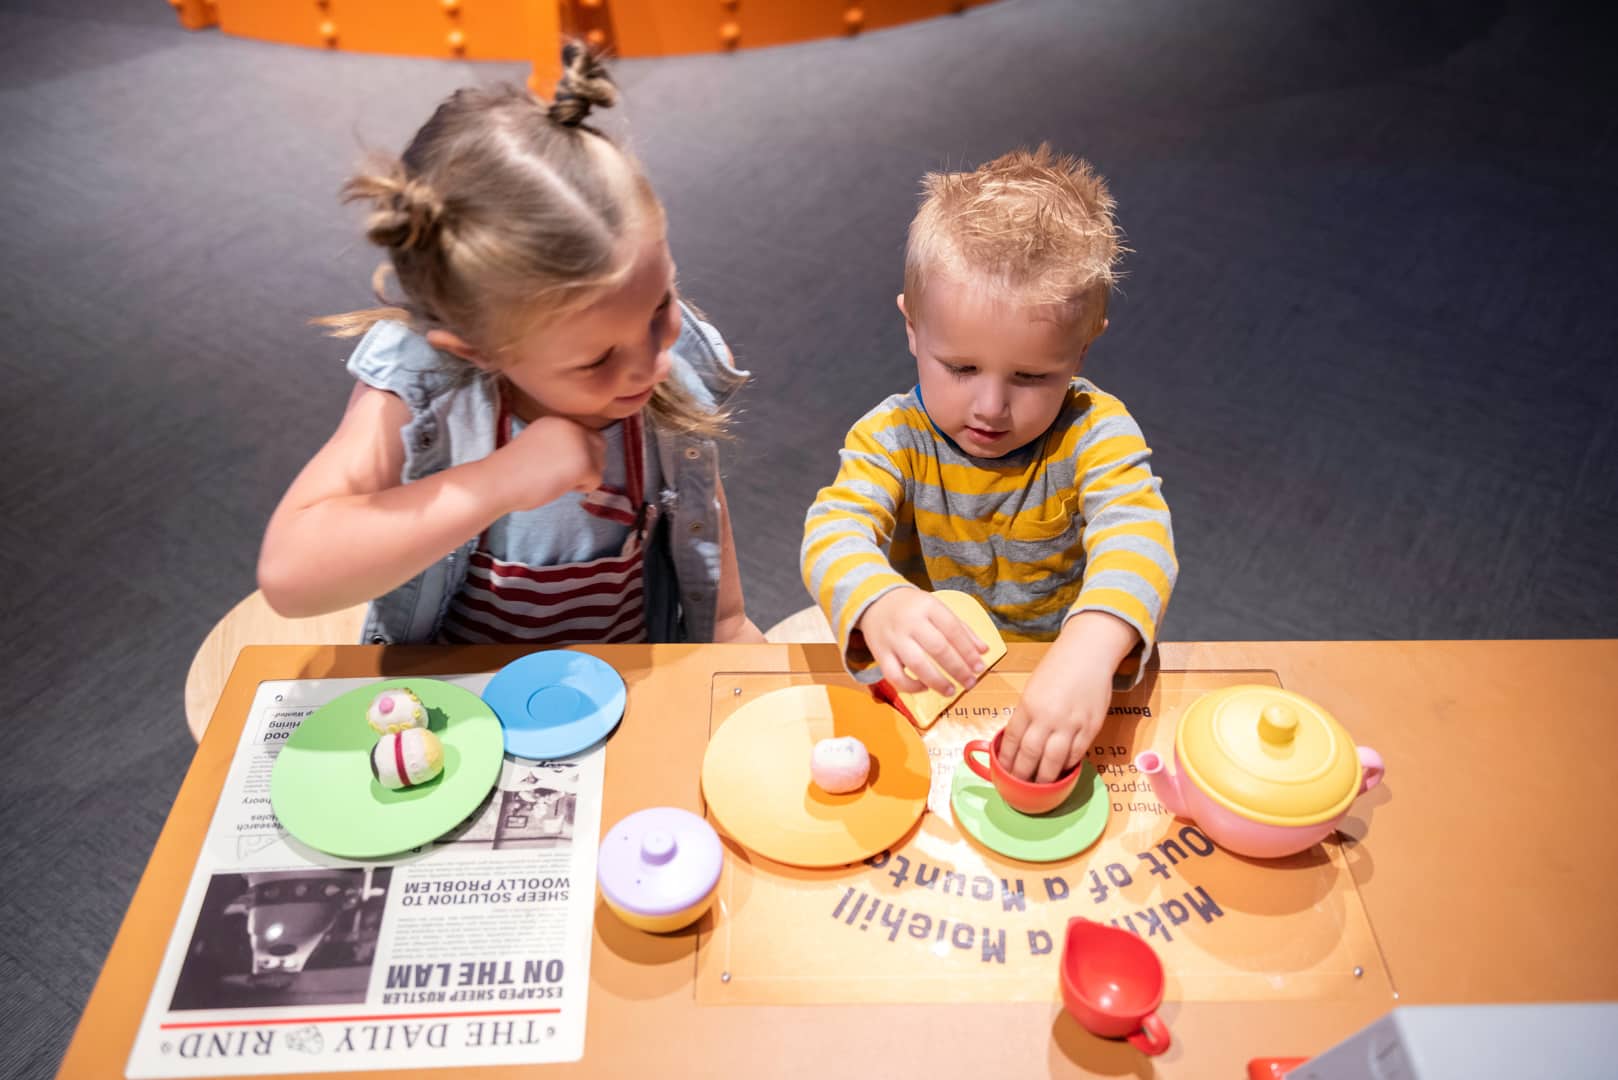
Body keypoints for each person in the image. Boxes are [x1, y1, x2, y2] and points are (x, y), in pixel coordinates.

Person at [259, 45, 762, 647]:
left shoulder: (671, 362)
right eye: (596, 359)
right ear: (478, 349)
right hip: (457, 690)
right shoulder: (420, 388)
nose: (653, 363)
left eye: (661, 304)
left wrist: (729, 625)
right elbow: (288, 576)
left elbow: (701, 508)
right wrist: (500, 481)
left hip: (623, 679)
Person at [800, 146, 1177, 783]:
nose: (991, 408)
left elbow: (1140, 539)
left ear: (1082, 352)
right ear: (912, 326)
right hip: (937, 686)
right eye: (962, 368)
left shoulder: (1096, 432)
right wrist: (881, 602)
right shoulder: (891, 437)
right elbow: (832, 533)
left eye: (1031, 377)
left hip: (1065, 687)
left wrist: (1090, 649)